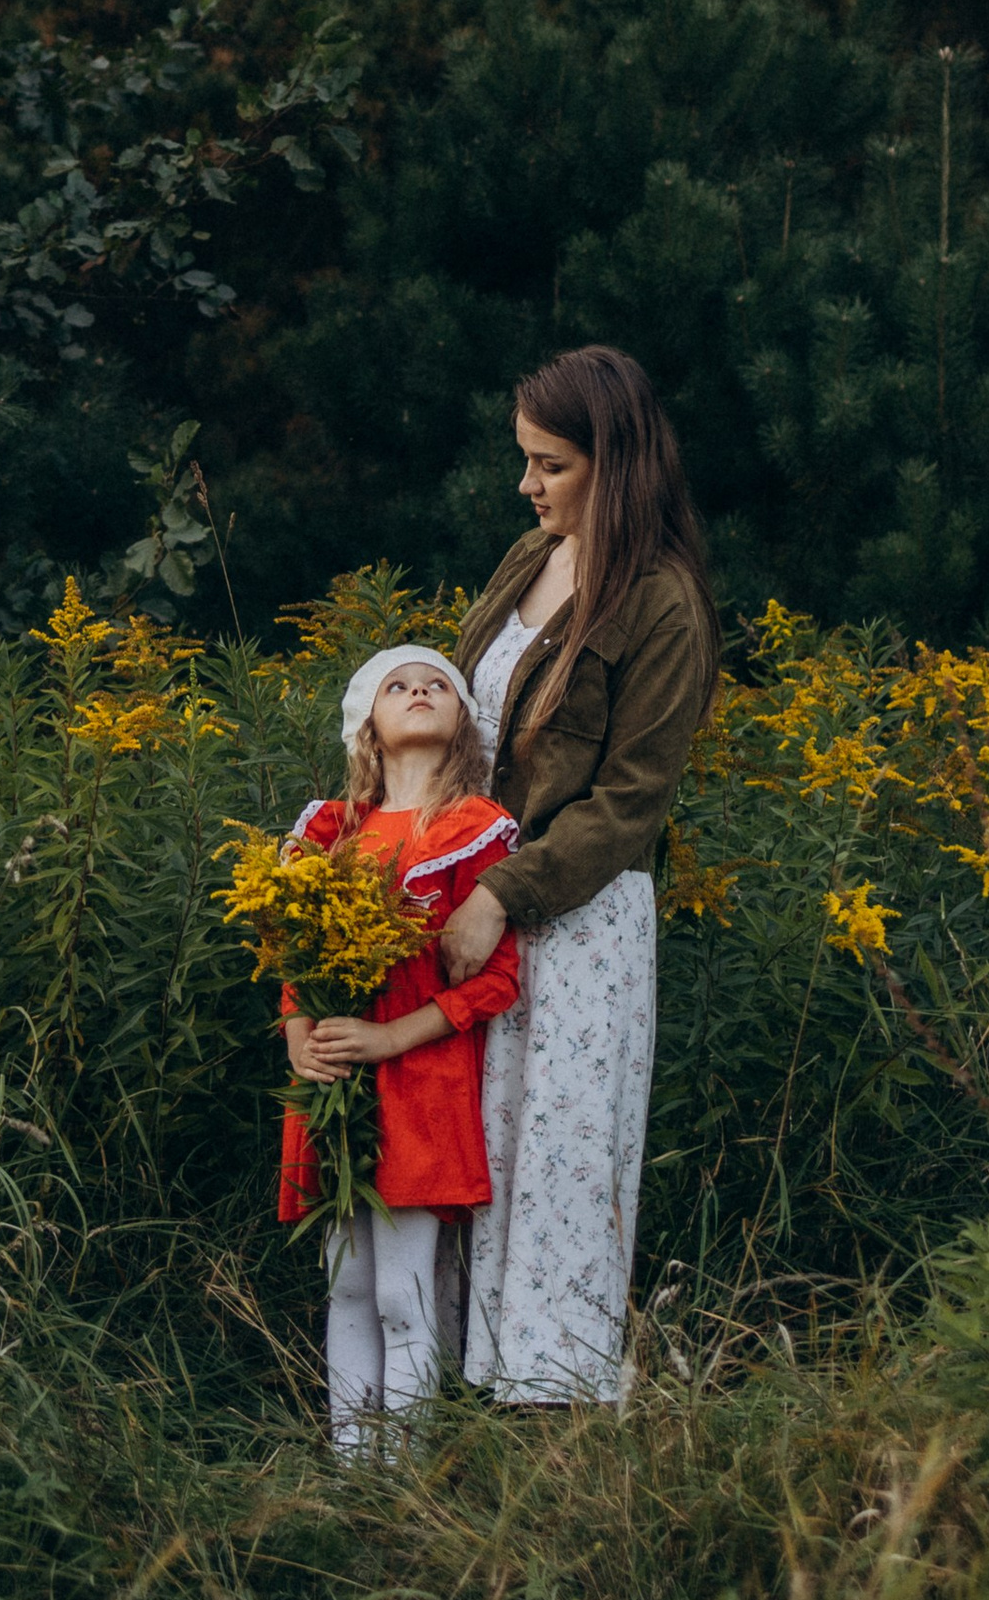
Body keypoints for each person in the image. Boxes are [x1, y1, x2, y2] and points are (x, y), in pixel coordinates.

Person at [436, 346, 720, 1404]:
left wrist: (502, 895)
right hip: (470, 901)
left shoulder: (662, 606)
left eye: (549, 465)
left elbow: (628, 805)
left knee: (555, 1162)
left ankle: (550, 1407)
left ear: (617, 461)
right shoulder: (526, 559)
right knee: (471, 1151)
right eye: (526, 463)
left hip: (578, 922)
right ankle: (450, 1390)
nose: (528, 486)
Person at [279, 647, 522, 1451]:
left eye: (438, 684)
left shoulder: (473, 830)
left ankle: (407, 1478)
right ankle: (353, 1468)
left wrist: (389, 1037)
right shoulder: (331, 830)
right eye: (397, 684)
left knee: (403, 1294)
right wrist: (299, 1041)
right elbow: (293, 955)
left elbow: (494, 983)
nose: (419, 690)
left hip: (420, 1082)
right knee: (346, 1284)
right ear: (368, 728)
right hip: (336, 1085)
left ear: (461, 727)